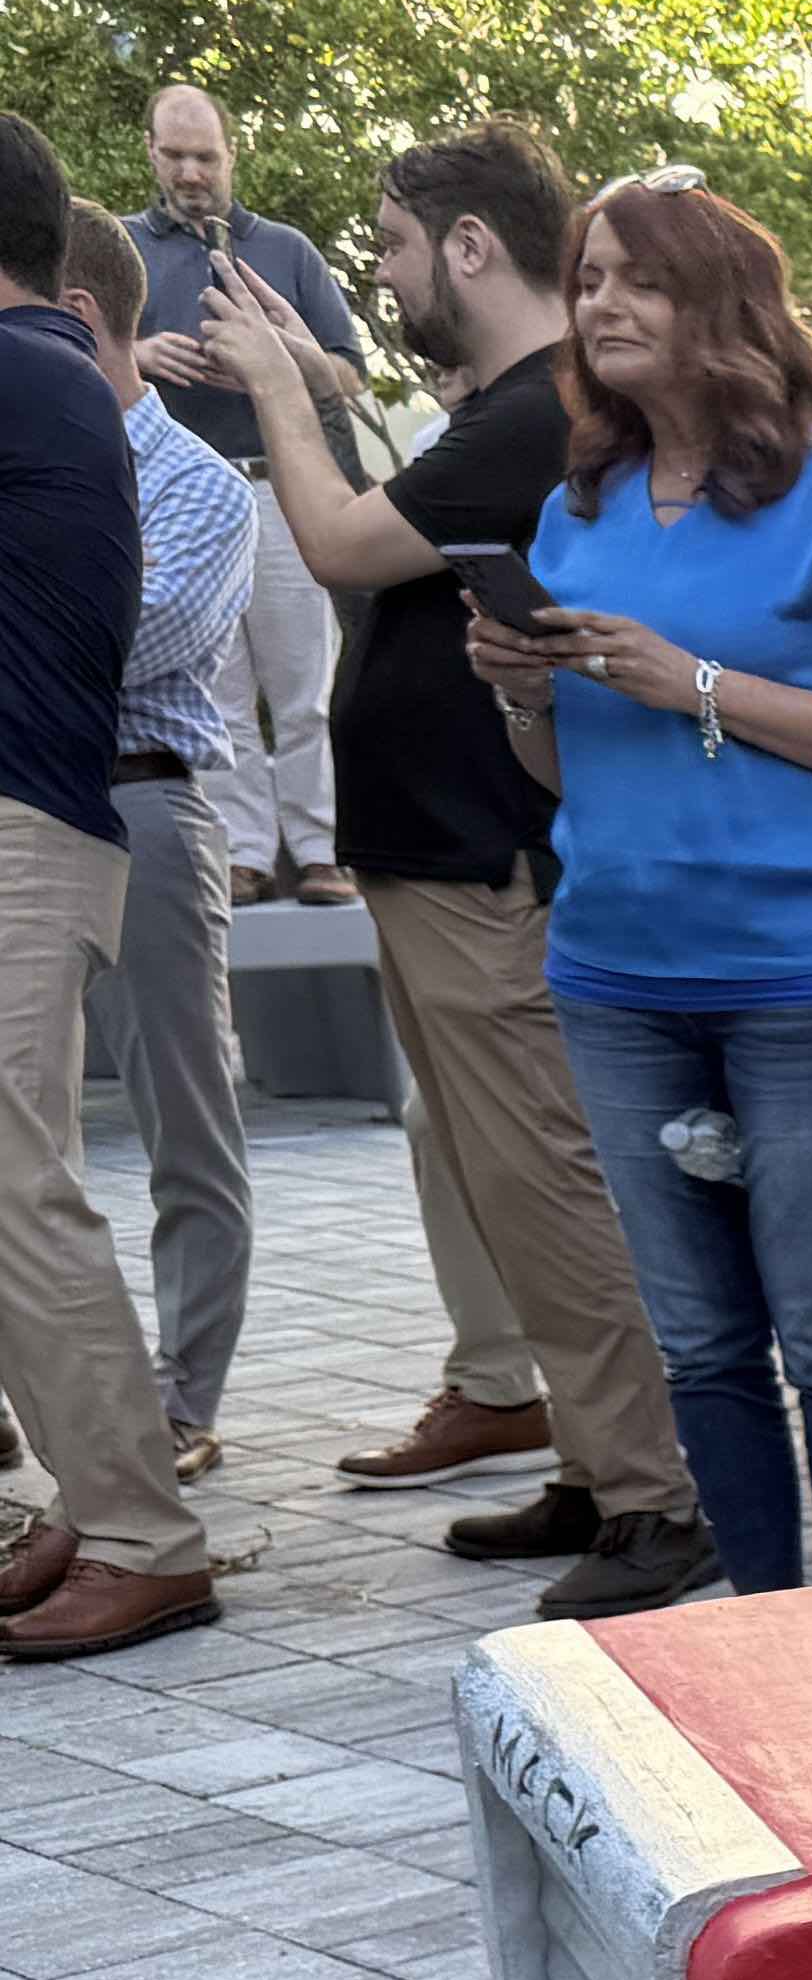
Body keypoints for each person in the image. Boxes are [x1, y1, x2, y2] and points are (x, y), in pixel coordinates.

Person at [196, 119, 715, 1617]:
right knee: (500, 1171)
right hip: (439, 853)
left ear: (470, 248)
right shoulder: (505, 408)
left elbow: (345, 546)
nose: (385, 275)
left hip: (487, 862)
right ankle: (595, 1455)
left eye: (397, 250)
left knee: (544, 1180)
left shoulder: (535, 409)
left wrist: (284, 392)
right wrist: (337, 385)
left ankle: (655, 1497)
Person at [465, 175, 812, 1591]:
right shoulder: (582, 503)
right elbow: (578, 771)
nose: (601, 305)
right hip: (619, 977)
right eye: (589, 281)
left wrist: (693, 682)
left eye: (638, 281)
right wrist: (519, 691)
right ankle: (759, 1634)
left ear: (721, 309)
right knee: (701, 1344)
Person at [0, 109, 219, 1662]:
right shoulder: (52, 380)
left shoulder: (23, 371)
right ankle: (92, 1493)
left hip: (17, 823)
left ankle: (147, 1532)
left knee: (18, 1186)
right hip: (33, 822)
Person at [57, 199, 256, 1482]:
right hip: (23, 803)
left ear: (76, 321)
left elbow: (115, 647)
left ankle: (184, 1398)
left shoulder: (195, 481)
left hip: (141, 802)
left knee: (189, 1120)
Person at [128, 84, 370, 911]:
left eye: (207, 156)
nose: (192, 172)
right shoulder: (121, 249)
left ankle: (319, 850)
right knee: (220, 691)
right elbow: (72, 350)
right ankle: (246, 856)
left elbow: (350, 374)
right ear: (151, 154)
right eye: (176, 155)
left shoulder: (289, 249)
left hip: (280, 489)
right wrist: (137, 351)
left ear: (234, 153)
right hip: (174, 500)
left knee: (303, 683)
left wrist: (281, 361)